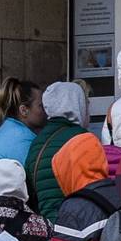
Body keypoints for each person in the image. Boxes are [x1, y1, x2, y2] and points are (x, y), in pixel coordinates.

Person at [25, 80, 94, 218]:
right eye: (85, 104)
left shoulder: (36, 142)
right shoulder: (81, 138)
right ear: (76, 105)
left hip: (46, 226)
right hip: (73, 225)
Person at [0, 79, 43, 208]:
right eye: (40, 105)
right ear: (24, 110)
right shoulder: (22, 139)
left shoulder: (8, 130)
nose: (45, 110)